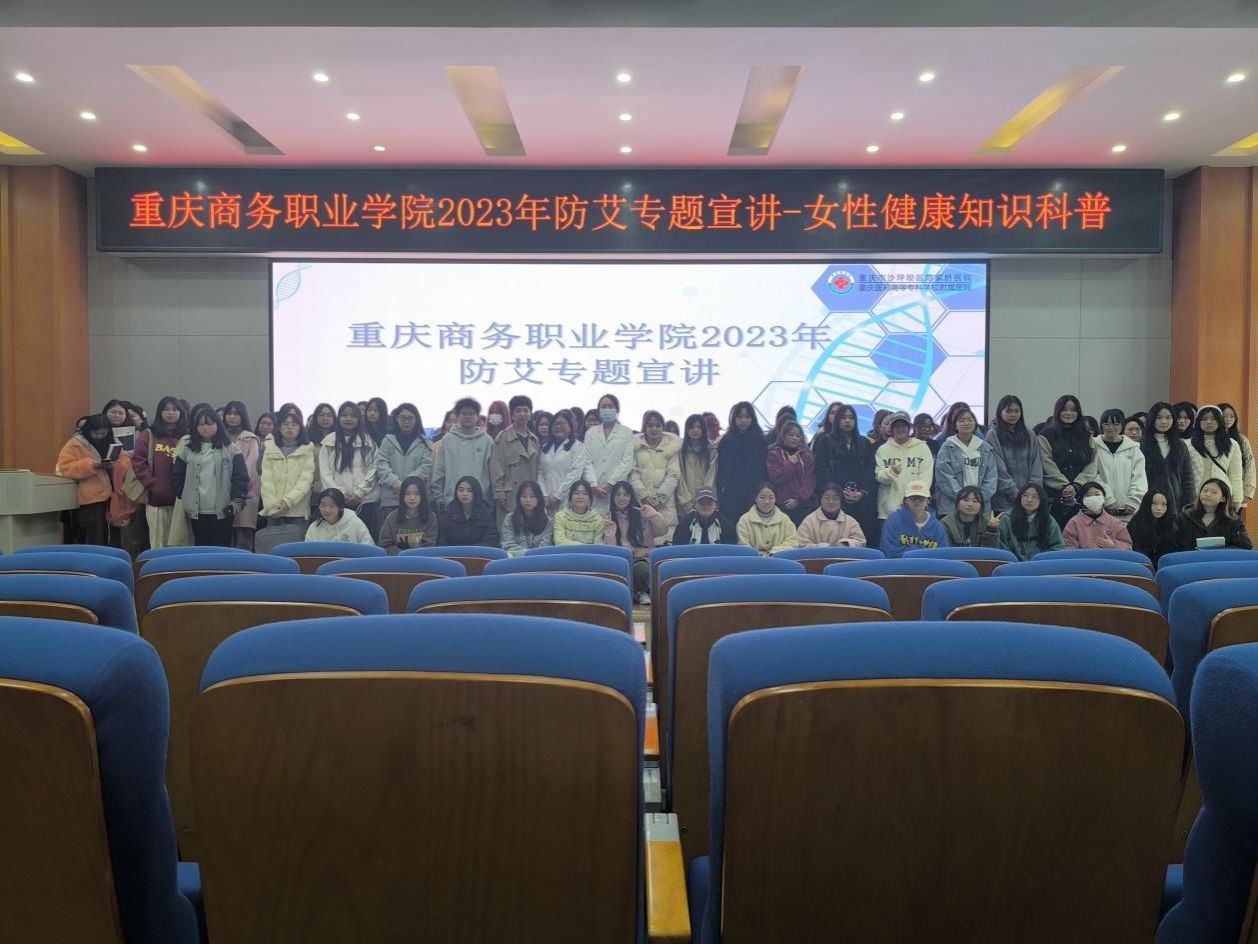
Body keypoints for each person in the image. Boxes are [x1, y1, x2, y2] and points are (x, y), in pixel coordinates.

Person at [172, 405, 249, 547]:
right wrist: (182, 493)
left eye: (209, 424)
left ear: (218, 425)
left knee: (222, 547)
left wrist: (237, 501)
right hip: (197, 509)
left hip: (224, 509)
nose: (205, 428)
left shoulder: (231, 449)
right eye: (201, 424)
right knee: (201, 546)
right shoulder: (188, 449)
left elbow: (241, 478)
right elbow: (177, 474)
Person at [812, 404, 878, 545]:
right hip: (836, 498)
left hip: (861, 499)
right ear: (837, 420)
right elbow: (821, 469)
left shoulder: (864, 442)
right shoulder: (825, 440)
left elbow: (870, 470)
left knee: (861, 538)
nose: (847, 421)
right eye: (843, 417)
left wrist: (862, 492)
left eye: (851, 417)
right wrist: (838, 492)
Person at [132, 396, 187, 549]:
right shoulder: (149, 434)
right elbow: (138, 462)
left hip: (182, 501)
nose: (171, 413)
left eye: (175, 409)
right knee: (158, 543)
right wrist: (152, 484)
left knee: (180, 543)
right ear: (159, 412)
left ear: (181, 412)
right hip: (156, 499)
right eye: (166, 409)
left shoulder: (187, 436)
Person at [319, 401, 380, 538]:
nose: (348, 419)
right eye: (344, 415)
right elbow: (325, 474)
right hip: (336, 504)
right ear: (338, 417)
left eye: (353, 416)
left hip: (365, 502)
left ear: (359, 419)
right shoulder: (328, 442)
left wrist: (359, 493)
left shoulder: (369, 442)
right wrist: (340, 494)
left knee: (366, 541)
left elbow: (374, 470)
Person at [1038, 395, 1099, 528]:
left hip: (1082, 495)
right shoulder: (1045, 435)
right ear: (1057, 411)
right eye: (1064, 409)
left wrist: (1076, 485)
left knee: (1082, 534)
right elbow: (1047, 464)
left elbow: (1092, 464)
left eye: (1073, 410)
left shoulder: (1086, 435)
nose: (1069, 413)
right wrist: (1066, 487)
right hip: (1054, 498)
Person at [56, 414, 116, 545]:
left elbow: (125, 461)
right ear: (88, 430)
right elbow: (65, 467)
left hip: (112, 497)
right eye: (96, 433)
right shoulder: (75, 443)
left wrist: (113, 464)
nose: (100, 436)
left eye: (103, 433)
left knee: (110, 538)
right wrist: (91, 465)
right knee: (95, 539)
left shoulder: (112, 440)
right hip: (90, 499)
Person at [604, 481, 667, 603]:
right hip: (621, 560)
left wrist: (653, 514)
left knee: (641, 569)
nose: (622, 498)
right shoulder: (609, 517)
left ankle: (641, 592)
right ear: (612, 497)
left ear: (631, 497)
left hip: (641, 560)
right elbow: (611, 549)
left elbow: (662, 530)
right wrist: (610, 530)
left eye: (626, 495)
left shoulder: (642, 515)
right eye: (618, 494)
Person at [259, 403, 315, 533]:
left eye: (294, 424)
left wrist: (288, 502)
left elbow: (305, 481)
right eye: (285, 423)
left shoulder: (307, 448)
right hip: (274, 511)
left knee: (297, 545)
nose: (290, 427)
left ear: (300, 427)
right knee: (274, 544)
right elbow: (266, 480)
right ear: (279, 426)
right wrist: (273, 506)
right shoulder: (269, 447)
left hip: (298, 511)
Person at [431, 397, 493, 512]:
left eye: (471, 413)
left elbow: (492, 473)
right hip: (451, 502)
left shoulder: (487, 441)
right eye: (464, 413)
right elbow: (439, 470)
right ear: (458, 416)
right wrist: (438, 498)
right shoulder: (447, 440)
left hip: (481, 503)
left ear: (477, 416)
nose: (467, 416)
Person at [376, 402, 433, 526]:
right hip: (391, 498)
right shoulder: (387, 440)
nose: (406, 421)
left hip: (417, 499)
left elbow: (426, 466)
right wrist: (396, 483)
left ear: (416, 420)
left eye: (410, 418)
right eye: (402, 418)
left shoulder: (425, 442)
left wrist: (408, 485)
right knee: (390, 534)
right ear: (396, 419)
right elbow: (382, 465)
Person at [935, 407, 998, 516]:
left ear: (975, 424)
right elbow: (944, 477)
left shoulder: (985, 448)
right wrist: (963, 498)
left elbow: (991, 477)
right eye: (961, 420)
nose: (966, 423)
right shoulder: (947, 447)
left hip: (980, 505)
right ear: (955, 425)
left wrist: (977, 499)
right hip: (952, 506)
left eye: (970, 420)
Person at [630, 410, 681, 543]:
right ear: (644, 427)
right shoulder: (634, 447)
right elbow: (632, 473)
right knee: (641, 546)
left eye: (658, 425)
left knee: (665, 546)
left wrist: (659, 499)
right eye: (650, 425)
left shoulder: (672, 447)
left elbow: (674, 474)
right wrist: (643, 496)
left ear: (663, 427)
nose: (654, 429)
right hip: (640, 503)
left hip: (665, 505)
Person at [987, 394, 1044, 515]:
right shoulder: (993, 435)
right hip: (1002, 501)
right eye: (1008, 411)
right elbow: (998, 469)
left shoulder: (1030, 435)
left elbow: (1037, 466)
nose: (1013, 414)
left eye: (1017, 411)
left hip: (1029, 500)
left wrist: (1031, 493)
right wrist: (1016, 494)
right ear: (1000, 412)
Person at [875, 412, 934, 524]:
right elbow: (880, 477)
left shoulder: (922, 448)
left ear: (909, 428)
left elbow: (926, 478)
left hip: (916, 510)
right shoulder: (882, 450)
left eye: (903, 426)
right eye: (896, 426)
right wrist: (892, 472)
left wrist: (914, 499)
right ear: (892, 429)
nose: (900, 429)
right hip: (889, 512)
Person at [1092, 408, 1147, 522]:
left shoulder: (1133, 448)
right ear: (1101, 425)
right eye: (1107, 424)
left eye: (1116, 424)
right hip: (1101, 507)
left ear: (1122, 425)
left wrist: (1133, 502)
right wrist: (1108, 499)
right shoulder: (1094, 446)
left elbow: (1139, 478)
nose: (1111, 427)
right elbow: (1094, 475)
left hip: (1129, 510)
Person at [584, 393, 635, 515]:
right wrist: (593, 485)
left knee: (615, 521)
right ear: (599, 410)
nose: (607, 409)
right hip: (594, 488)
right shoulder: (591, 433)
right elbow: (586, 461)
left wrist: (610, 483)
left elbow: (627, 461)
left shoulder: (626, 432)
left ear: (617, 409)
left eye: (610, 406)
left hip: (617, 488)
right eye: (603, 406)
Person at [717, 401, 769, 520]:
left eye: (747, 417)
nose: (743, 420)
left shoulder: (760, 441)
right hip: (731, 493)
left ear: (753, 419)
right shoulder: (726, 441)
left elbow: (764, 469)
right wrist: (721, 491)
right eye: (740, 417)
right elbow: (721, 469)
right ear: (733, 418)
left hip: (754, 492)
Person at [220, 401, 262, 549]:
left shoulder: (251, 439)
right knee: (224, 536)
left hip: (246, 493)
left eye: (236, 414)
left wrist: (236, 486)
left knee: (244, 536)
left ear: (243, 416)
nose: (232, 417)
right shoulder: (219, 437)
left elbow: (250, 469)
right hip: (221, 492)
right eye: (229, 413)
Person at [1142, 401, 1196, 515]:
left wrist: (1189, 504)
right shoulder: (1141, 444)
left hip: (1175, 504)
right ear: (1152, 419)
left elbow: (1188, 477)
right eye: (1159, 417)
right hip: (1148, 502)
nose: (1164, 421)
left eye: (1168, 417)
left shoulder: (1180, 445)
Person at [1186, 406, 1244, 512]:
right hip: (1195, 497)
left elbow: (1236, 474)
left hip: (1221, 498)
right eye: (1204, 419)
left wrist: (1237, 499)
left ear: (1220, 421)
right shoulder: (1187, 444)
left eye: (1213, 419)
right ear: (1198, 422)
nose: (1208, 422)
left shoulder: (1232, 444)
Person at [491, 395, 540, 520]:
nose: (522, 414)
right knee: (509, 527)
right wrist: (499, 493)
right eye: (518, 411)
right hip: (510, 494)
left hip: (531, 494)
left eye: (525, 410)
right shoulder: (503, 438)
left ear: (530, 414)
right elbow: (496, 468)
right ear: (512, 415)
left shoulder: (534, 440)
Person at [539, 409, 596, 514]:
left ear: (570, 426)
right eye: (555, 424)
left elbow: (575, 474)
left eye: (563, 423)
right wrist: (544, 496)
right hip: (546, 501)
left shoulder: (577, 446)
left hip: (566, 499)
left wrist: (558, 496)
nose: (558, 426)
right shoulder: (545, 448)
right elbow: (540, 473)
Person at [1174, 478, 1253, 551]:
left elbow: (1246, 546)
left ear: (1223, 498)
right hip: (1190, 560)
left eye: (1214, 492)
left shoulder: (1233, 521)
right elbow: (1174, 545)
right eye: (1205, 490)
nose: (1207, 494)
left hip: (1220, 560)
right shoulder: (1184, 518)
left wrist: (1221, 552)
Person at [766, 420, 816, 527]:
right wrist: (790, 464)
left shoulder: (807, 456)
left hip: (802, 506)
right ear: (783, 436)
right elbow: (776, 478)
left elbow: (809, 481)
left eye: (798, 436)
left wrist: (798, 499)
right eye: (791, 435)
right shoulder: (774, 455)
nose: (795, 438)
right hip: (781, 506)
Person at [879, 479, 948, 557]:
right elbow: (889, 553)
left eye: (921, 498)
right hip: (900, 564)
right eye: (913, 498)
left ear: (928, 501)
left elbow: (943, 555)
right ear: (906, 500)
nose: (917, 501)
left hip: (929, 565)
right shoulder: (893, 521)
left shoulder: (937, 527)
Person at [999, 483, 1065, 561]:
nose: (1029, 499)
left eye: (1035, 497)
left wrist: (1041, 561)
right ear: (1020, 498)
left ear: (1041, 500)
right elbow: (1001, 545)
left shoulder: (1048, 520)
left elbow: (1058, 547)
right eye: (1025, 495)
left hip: (1040, 565)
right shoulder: (1007, 519)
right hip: (1013, 564)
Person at [1063, 481, 1134, 550]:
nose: (1093, 498)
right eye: (1088, 496)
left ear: (1104, 498)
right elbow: (1069, 550)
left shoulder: (1116, 523)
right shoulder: (1074, 523)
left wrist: (1113, 545)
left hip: (1109, 558)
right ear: (1082, 500)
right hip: (1084, 558)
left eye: (1097, 494)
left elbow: (1128, 547)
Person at [378, 476, 438, 553]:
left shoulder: (431, 517)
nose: (412, 498)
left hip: (422, 558)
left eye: (417, 494)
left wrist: (411, 554)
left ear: (423, 496)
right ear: (402, 495)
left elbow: (429, 545)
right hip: (399, 559)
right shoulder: (392, 517)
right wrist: (402, 554)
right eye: (408, 493)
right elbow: (384, 545)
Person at [796, 483, 866, 548]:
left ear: (841, 501)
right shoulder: (809, 521)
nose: (831, 502)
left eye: (835, 498)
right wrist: (825, 547)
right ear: (820, 500)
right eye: (827, 498)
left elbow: (861, 542)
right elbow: (801, 544)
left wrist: (845, 544)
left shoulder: (851, 522)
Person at [736, 482, 798, 556]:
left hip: (779, 559)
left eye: (771, 498)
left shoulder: (785, 519)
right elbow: (743, 546)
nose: (766, 502)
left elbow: (792, 542)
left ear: (775, 499)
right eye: (762, 497)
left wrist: (773, 553)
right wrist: (759, 556)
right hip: (754, 560)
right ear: (755, 499)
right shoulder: (744, 520)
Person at [437, 475, 501, 547]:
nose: (465, 494)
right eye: (461, 490)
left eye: (470, 491)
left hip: (479, 553)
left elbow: (492, 541)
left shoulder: (486, 513)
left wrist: (472, 550)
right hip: (454, 553)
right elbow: (442, 542)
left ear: (476, 492)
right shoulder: (448, 514)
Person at [676, 413, 718, 518]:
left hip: (706, 504)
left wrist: (704, 499)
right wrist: (686, 503)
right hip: (684, 505)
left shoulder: (711, 449)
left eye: (699, 427)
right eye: (692, 427)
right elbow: (679, 476)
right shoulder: (680, 450)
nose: (695, 430)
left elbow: (711, 475)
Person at [500, 480, 553, 556]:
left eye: (532, 496)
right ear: (519, 498)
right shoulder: (509, 519)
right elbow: (508, 545)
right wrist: (527, 554)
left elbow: (545, 548)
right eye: (524, 496)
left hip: (539, 560)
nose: (528, 500)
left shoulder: (547, 521)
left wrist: (531, 556)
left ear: (539, 498)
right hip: (515, 559)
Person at [1220, 403, 1256, 511]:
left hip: (1237, 492)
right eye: (1224, 416)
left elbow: (1250, 465)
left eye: (1232, 416)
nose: (1228, 419)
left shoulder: (1241, 439)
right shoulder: (1210, 438)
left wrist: (1247, 491)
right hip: (1216, 491)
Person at [672, 487, 739, 545]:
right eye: (701, 503)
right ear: (695, 505)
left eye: (709, 503)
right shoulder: (685, 523)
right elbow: (678, 547)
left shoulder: (725, 524)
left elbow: (731, 547)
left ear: (716, 505)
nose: (705, 506)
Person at [306, 488, 374, 545]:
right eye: (323, 506)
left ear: (340, 507)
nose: (327, 510)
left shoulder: (354, 522)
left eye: (332, 506)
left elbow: (369, 546)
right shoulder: (314, 527)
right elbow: (308, 552)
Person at [1127, 490, 1178, 566]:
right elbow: (1134, 550)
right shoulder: (1136, 523)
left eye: (1163, 504)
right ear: (1147, 504)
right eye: (1155, 503)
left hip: (1164, 565)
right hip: (1141, 564)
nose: (1159, 508)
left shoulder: (1172, 523)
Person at [553, 479, 605, 545]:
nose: (580, 497)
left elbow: (598, 545)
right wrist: (583, 547)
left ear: (590, 498)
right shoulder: (560, 517)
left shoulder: (598, 520)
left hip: (590, 552)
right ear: (570, 497)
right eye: (576, 493)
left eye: (585, 494)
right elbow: (559, 542)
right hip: (567, 552)